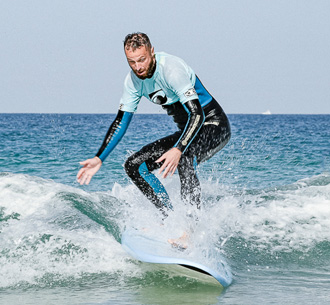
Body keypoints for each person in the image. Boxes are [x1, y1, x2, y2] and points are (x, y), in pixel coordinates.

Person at [76, 32, 231, 216]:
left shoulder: (171, 69)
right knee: (134, 165)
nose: (138, 67)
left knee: (184, 157)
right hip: (188, 131)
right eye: (131, 62)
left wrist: (179, 148)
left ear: (152, 51)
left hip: (213, 124)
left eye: (142, 60)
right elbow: (121, 122)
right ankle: (169, 218)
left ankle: (191, 226)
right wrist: (99, 157)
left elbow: (197, 114)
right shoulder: (133, 82)